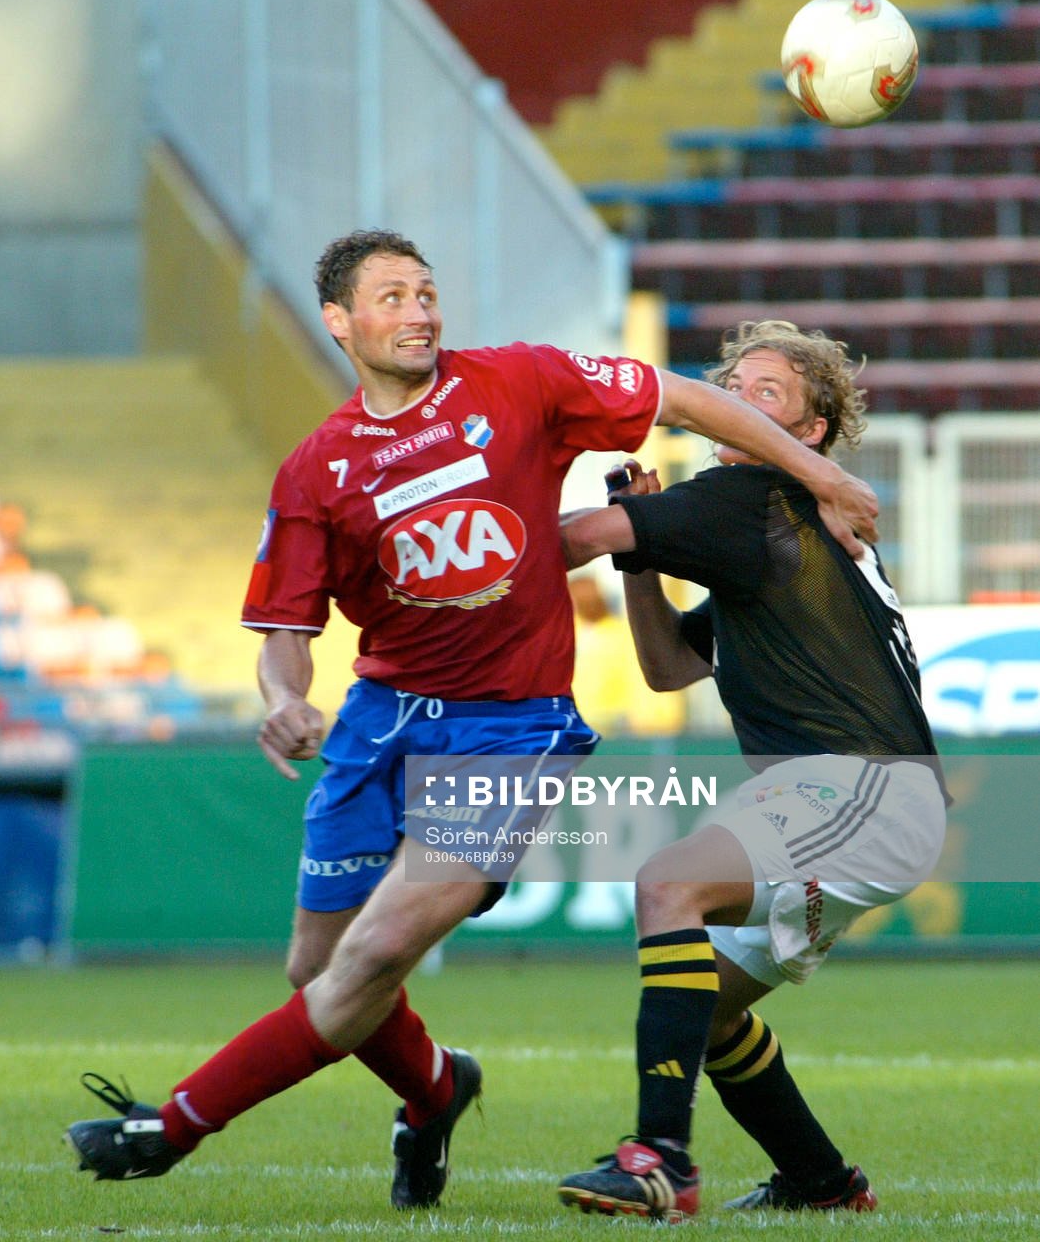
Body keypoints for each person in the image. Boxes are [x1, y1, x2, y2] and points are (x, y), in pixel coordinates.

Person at [64, 237, 878, 1212]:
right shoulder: (315, 469)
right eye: (392, 296)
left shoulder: (519, 381)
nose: (418, 311)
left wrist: (821, 477)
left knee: (373, 955)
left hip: (511, 728)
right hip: (377, 723)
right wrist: (284, 699)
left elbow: (676, 396)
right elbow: (286, 631)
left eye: (427, 292)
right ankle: (437, 1088)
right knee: (317, 969)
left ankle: (173, 1125)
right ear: (339, 321)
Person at [556, 319, 947, 1222]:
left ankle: (660, 1160)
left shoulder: (752, 499)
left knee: (667, 885)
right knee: (707, 1008)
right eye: (732, 387)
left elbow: (575, 536)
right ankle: (822, 1183)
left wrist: (446, 536)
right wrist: (642, 563)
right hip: (863, 797)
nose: (736, 401)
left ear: (809, 433)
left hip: (859, 787)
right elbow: (667, 668)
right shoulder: (771, 527)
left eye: (767, 393)